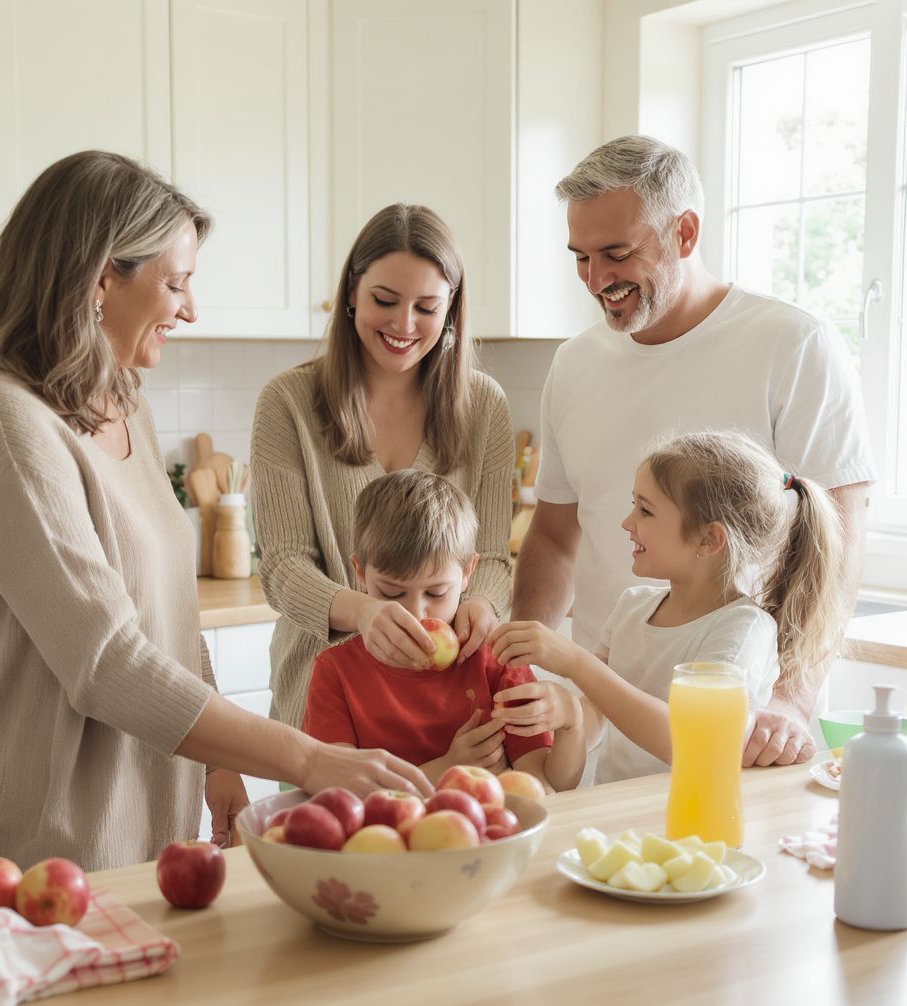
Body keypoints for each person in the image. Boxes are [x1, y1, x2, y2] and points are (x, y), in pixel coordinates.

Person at [0, 151, 429, 881]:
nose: (190, 309)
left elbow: (170, 614)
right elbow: (105, 660)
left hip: (142, 831)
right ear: (101, 278)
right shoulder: (3, 420)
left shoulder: (122, 400)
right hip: (32, 844)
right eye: (176, 283)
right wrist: (307, 758)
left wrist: (219, 763)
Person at [511, 135, 874, 768]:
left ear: (684, 232)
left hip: (740, 732)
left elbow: (835, 538)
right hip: (601, 728)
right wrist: (517, 667)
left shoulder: (791, 344)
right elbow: (554, 535)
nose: (595, 280)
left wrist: (791, 700)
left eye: (616, 254)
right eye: (581, 258)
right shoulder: (574, 365)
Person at [251, 203, 514, 732]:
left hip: (440, 719)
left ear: (451, 307)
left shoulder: (485, 407)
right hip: (320, 713)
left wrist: (482, 606)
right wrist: (363, 612)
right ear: (351, 292)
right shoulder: (288, 403)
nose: (403, 324)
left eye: (426, 307)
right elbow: (283, 567)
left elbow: (491, 559)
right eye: (385, 300)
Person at [491, 431, 843, 783]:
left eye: (645, 510)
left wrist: (575, 662)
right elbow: (587, 731)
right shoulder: (631, 608)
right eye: (634, 505)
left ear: (709, 539)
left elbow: (693, 742)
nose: (627, 523)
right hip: (619, 812)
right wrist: (568, 720)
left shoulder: (744, 628)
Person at [302, 470, 584, 791]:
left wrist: (572, 723)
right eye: (392, 593)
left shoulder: (497, 660)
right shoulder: (335, 672)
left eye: (436, 593)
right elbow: (336, 795)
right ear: (360, 572)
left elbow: (543, 785)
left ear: (467, 572)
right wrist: (445, 769)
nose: (415, 612)